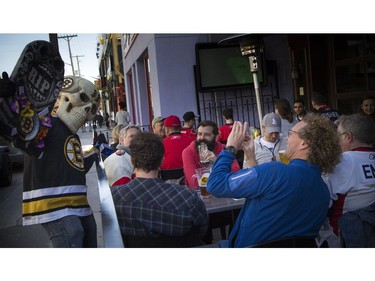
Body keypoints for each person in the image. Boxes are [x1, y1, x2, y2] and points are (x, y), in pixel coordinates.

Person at [206, 114, 342, 247]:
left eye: (291, 133)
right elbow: (268, 198)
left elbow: (215, 185)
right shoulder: (323, 191)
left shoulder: (275, 172)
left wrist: (230, 148)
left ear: (304, 143)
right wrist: (251, 158)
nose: (287, 138)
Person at [21, 76, 101, 248]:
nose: (87, 110)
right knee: (72, 232)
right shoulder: (44, 125)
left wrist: (95, 151)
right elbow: (18, 129)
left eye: (92, 108)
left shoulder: (72, 135)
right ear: (61, 97)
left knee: (89, 231)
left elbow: (74, 167)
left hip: (77, 202)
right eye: (84, 100)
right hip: (53, 203)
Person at [111, 131, 209, 247]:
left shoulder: (113, 199)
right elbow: (201, 229)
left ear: (132, 162)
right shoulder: (187, 198)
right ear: (162, 160)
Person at [319, 113, 375, 247]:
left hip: (342, 238)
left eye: (338, 135)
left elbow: (320, 203)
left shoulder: (341, 162)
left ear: (348, 137)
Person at [182, 120, 240, 189]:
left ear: (216, 137)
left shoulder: (224, 149)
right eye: (199, 134)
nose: (202, 138)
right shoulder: (188, 152)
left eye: (207, 135)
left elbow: (236, 176)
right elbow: (194, 183)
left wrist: (217, 162)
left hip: (224, 193)